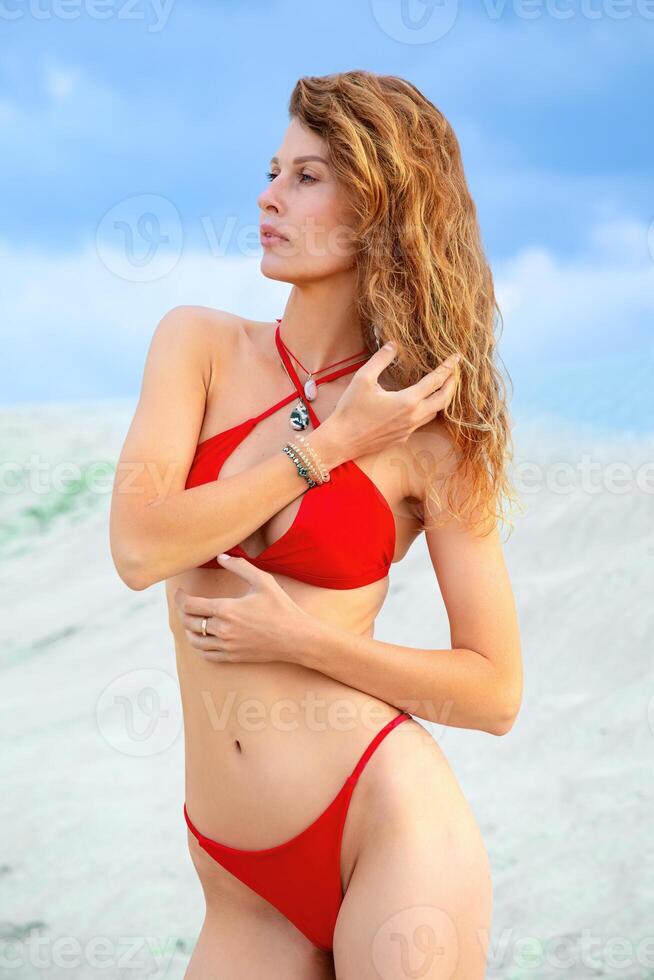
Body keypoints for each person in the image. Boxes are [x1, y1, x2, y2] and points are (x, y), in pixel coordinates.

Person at [110, 70, 523, 980]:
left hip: (386, 825)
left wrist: (303, 640)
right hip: (239, 884)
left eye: (306, 176)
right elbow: (140, 548)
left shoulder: (431, 434)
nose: (266, 196)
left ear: (381, 207)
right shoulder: (200, 346)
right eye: (272, 170)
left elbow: (493, 693)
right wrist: (329, 446)